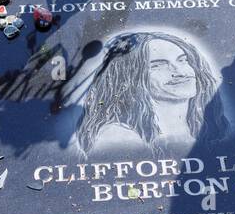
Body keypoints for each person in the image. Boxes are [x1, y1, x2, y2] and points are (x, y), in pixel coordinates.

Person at [76, 32, 225, 155]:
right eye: (158, 65)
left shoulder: (206, 125)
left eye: (183, 60)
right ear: (131, 77)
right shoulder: (120, 136)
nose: (179, 72)